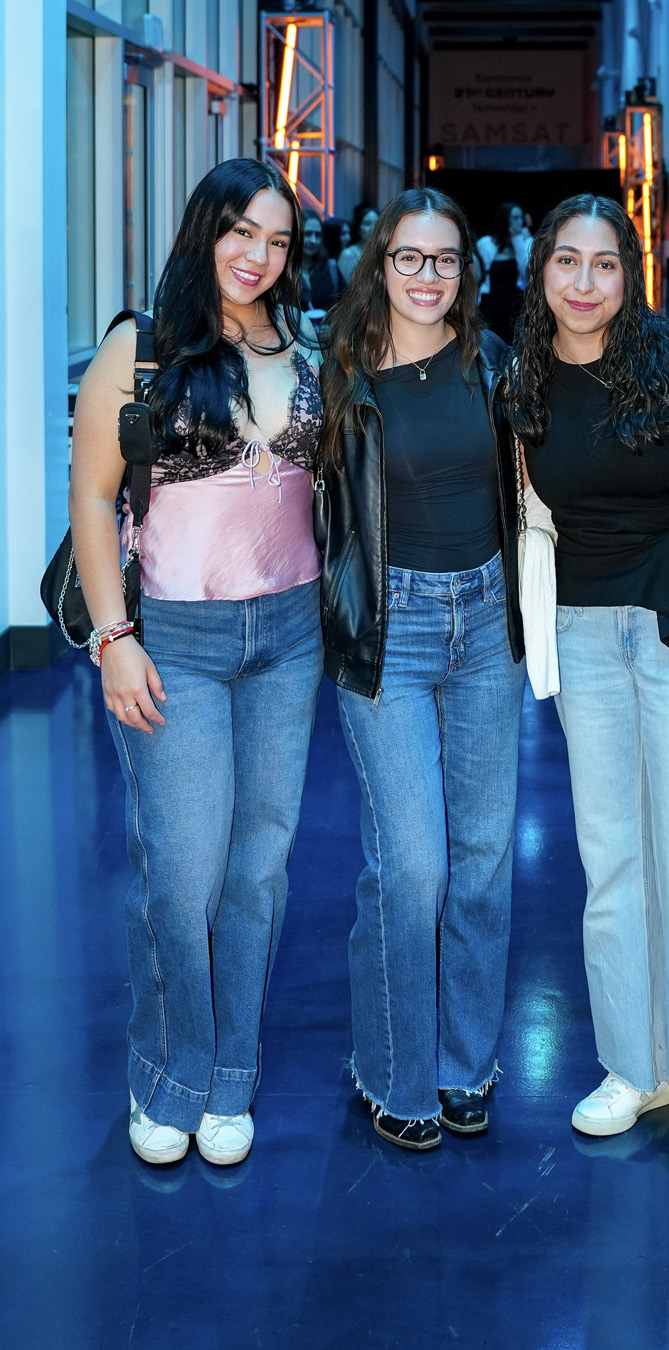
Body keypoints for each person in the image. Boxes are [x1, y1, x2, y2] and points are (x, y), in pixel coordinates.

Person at [68, 158, 324, 1167]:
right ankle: (169, 1074)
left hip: (291, 636)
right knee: (180, 875)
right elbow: (94, 500)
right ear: (204, 229)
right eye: (241, 232)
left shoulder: (303, 342)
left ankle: (230, 1079)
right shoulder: (140, 347)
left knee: (257, 872)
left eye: (278, 240)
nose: (259, 256)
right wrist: (113, 639)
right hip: (177, 636)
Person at [505, 194, 669, 1194]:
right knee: (612, 863)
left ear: (630, 272)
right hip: (583, 636)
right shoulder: (522, 378)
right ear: (541, 271)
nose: (583, 282)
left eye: (604, 263)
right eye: (565, 261)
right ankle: (637, 1066)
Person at [319, 188, 526, 1151]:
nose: (428, 276)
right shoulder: (339, 373)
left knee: (482, 860)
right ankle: (394, 1072)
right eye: (410, 257)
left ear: (465, 271)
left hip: (486, 623)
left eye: (446, 260)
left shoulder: (496, 365)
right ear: (381, 264)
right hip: (388, 631)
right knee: (413, 864)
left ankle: (465, 1067)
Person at [477, 202, 531, 342]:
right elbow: (481, 274)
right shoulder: (486, 243)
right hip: (491, 302)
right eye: (514, 217)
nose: (519, 222)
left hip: (515, 303)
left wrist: (518, 240)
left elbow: (525, 271)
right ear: (504, 219)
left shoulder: (526, 242)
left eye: (521, 217)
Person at [300, 210, 343, 313]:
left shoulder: (330, 268)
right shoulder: (283, 269)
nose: (313, 240)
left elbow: (344, 302)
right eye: (307, 234)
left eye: (318, 235)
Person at [337, 202, 379, 284]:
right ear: (358, 229)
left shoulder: (382, 252)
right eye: (367, 224)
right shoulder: (349, 254)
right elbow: (344, 288)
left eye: (377, 224)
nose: (373, 228)